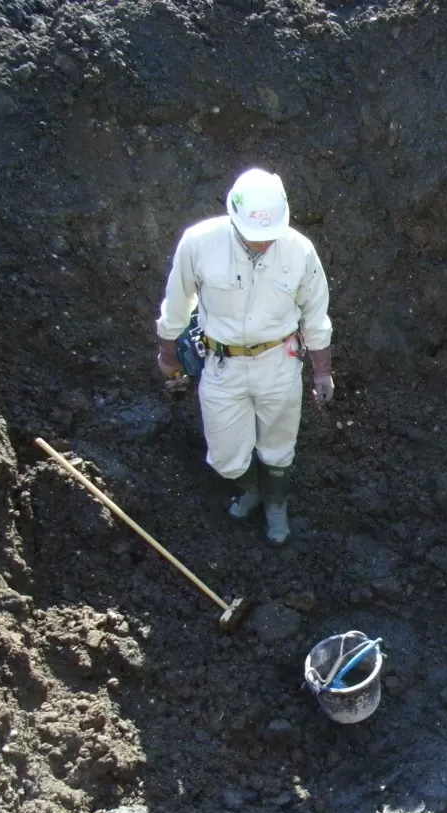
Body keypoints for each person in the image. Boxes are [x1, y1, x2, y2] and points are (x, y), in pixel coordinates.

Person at [154, 168, 334, 546]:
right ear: (234, 218)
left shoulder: (299, 251)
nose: (263, 245)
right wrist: (167, 354)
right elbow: (177, 302)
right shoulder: (199, 243)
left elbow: (316, 316)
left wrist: (322, 372)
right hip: (222, 365)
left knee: (278, 446)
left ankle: (276, 503)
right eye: (254, 238)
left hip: (278, 361)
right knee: (225, 457)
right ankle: (250, 487)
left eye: (270, 238)